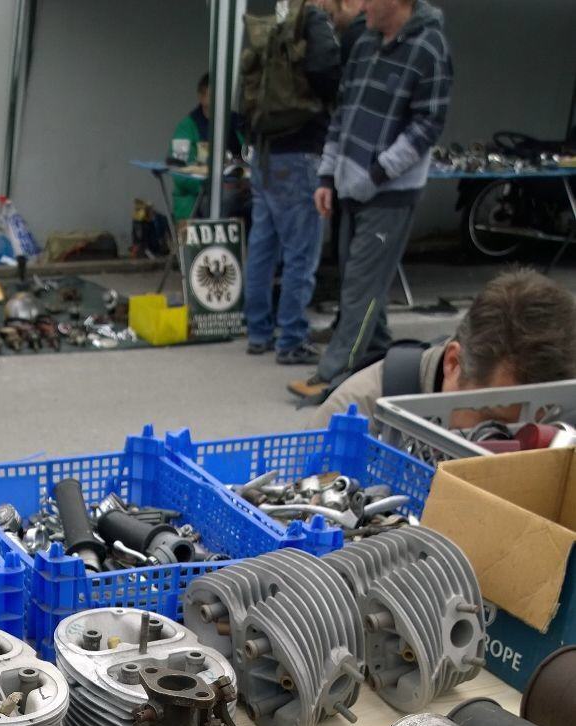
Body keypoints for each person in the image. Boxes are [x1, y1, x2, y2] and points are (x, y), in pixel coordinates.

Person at [288, 0, 452, 404]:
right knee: (358, 281)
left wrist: (377, 173)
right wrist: (327, 175)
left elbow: (427, 125)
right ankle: (381, 358)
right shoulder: (363, 43)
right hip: (349, 187)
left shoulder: (429, 47)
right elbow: (342, 114)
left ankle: (335, 374)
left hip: (390, 193)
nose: (361, 5)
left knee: (360, 287)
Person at [306, 268, 576, 432]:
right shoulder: (354, 416)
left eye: (542, 424)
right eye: (495, 423)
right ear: (453, 363)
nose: (518, 443)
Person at [243, 2, 341, 364]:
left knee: (263, 246)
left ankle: (258, 332)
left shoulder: (275, 26)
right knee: (301, 252)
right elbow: (328, 72)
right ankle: (292, 339)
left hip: (264, 151)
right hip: (300, 150)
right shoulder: (314, 22)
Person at [170, 72, 244, 223]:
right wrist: (209, 185)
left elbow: (251, 155)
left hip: (241, 188)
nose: (219, 99)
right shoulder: (187, 127)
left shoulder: (238, 123)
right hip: (198, 197)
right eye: (213, 94)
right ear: (201, 97)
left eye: (223, 95)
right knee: (226, 199)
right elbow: (179, 172)